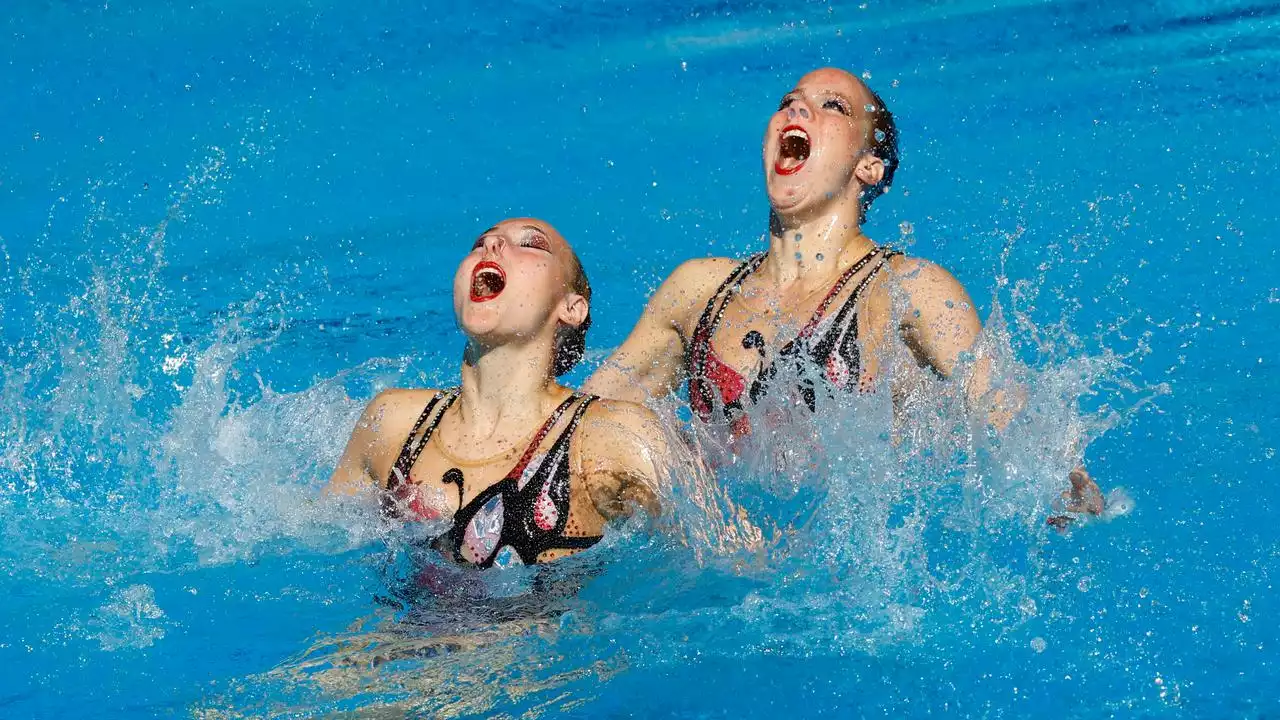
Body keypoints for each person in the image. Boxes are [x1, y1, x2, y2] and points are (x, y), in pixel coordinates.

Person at [583, 68, 1104, 521]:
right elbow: (581, 420)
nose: (798, 109)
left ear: (868, 166)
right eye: (789, 102)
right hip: (719, 566)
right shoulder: (697, 293)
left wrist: (1067, 484)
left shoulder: (906, 292)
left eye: (831, 106)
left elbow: (1005, 414)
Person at [328, 217, 670, 567]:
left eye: (531, 244)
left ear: (571, 308)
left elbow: (697, 561)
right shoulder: (393, 423)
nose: (491, 246)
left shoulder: (609, 437)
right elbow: (325, 544)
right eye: (480, 242)